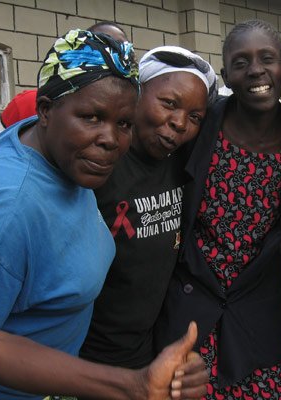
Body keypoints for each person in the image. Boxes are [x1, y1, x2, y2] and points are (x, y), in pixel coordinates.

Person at [0, 29, 206, 400]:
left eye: (123, 124)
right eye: (91, 117)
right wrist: (130, 384)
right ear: (44, 110)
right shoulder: (8, 207)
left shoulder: (52, 152)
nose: (110, 139)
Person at [154, 19, 281, 399]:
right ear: (227, 74)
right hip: (188, 309)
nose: (256, 70)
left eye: (268, 58)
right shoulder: (201, 124)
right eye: (241, 61)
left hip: (257, 314)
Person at [80, 45, 218, 369]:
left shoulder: (181, 165)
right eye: (169, 103)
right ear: (138, 94)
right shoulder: (102, 165)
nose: (180, 122)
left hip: (148, 345)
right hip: (92, 352)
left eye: (195, 117)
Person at [0, 21, 130, 180]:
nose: (112, 58)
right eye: (101, 48)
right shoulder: (27, 104)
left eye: (121, 52)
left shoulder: (127, 121)